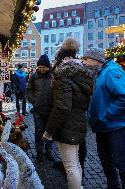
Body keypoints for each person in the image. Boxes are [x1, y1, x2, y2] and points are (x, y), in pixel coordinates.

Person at [43, 38, 95, 189]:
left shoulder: (63, 75)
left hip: (67, 125)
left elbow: (62, 107)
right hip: (79, 122)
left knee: (71, 166)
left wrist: (48, 131)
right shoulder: (83, 74)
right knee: (75, 163)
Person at [85, 48, 125, 189]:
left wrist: (107, 114)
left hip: (115, 127)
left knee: (121, 163)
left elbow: (123, 97)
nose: (84, 63)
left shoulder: (112, 72)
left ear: (96, 60)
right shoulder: (100, 73)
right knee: (106, 160)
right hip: (102, 126)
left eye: (87, 59)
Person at [26, 55, 54, 161]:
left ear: (48, 66)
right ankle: (39, 151)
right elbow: (28, 89)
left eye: (43, 67)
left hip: (51, 109)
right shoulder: (34, 76)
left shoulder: (53, 76)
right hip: (38, 109)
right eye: (39, 67)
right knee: (39, 130)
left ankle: (49, 150)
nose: (41, 69)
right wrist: (33, 100)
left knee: (50, 131)